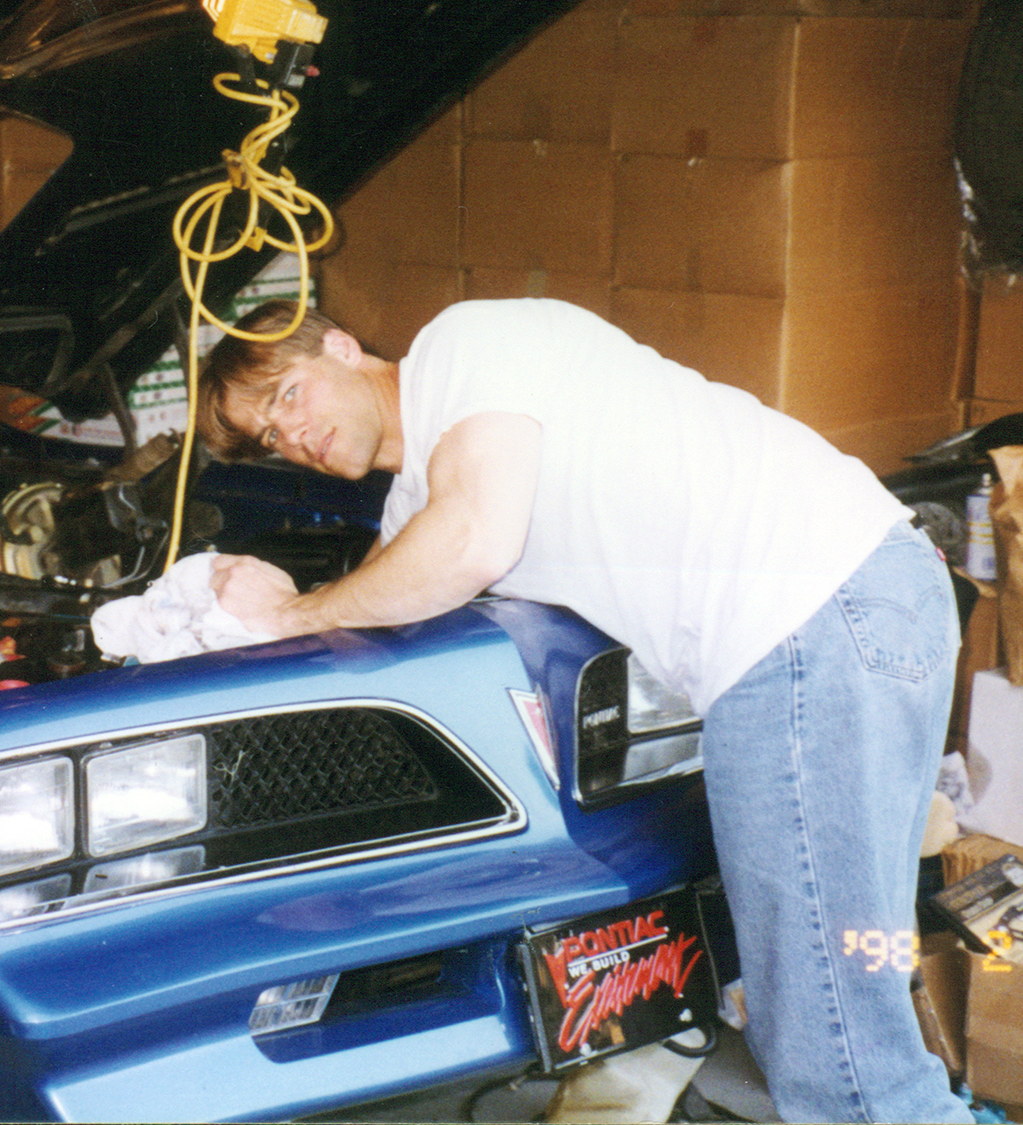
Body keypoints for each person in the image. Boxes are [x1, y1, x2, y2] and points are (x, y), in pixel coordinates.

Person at [195, 296, 968, 1125]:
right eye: (267, 436)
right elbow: (379, 603)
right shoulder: (419, 494)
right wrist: (228, 619)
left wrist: (293, 613)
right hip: (862, 603)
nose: (290, 434)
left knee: (839, 1058)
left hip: (810, 625)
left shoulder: (462, 344)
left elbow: (471, 543)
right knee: (853, 992)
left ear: (344, 347)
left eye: (287, 394)